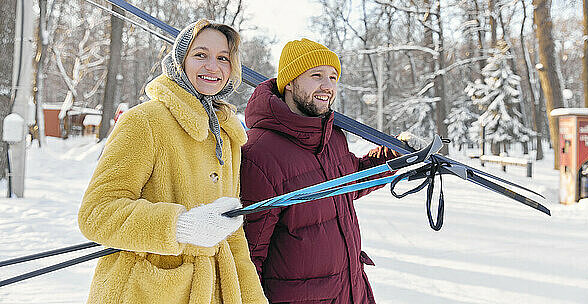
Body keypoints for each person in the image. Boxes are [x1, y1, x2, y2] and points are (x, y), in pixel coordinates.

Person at [78, 20, 267, 304]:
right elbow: (96, 214)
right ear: (180, 61)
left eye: (223, 58)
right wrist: (179, 226)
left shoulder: (226, 135)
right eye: (200, 54)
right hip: (145, 290)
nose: (212, 67)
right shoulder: (145, 121)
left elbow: (232, 234)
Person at [240, 38, 404, 304]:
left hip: (351, 290)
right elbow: (249, 254)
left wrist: (395, 155)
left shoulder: (332, 136)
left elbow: (353, 180)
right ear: (289, 82)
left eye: (332, 76)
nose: (327, 86)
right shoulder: (260, 152)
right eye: (316, 75)